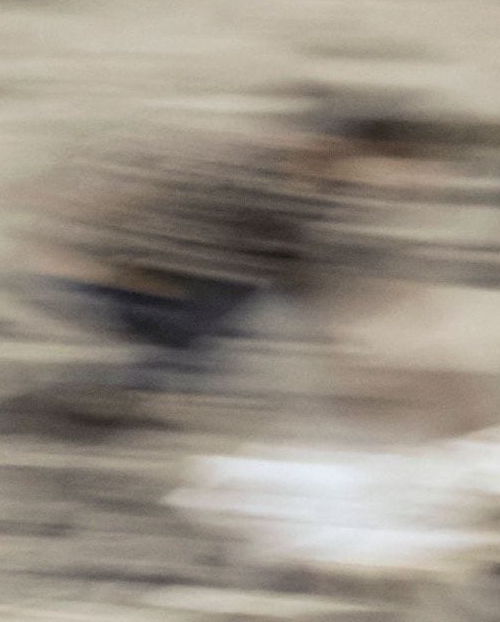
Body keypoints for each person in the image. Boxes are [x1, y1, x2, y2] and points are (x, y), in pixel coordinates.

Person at [31, 95, 442, 411]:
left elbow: (297, 273)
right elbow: (294, 272)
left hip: (143, 276)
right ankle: (96, 401)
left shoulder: (306, 185)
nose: (391, 184)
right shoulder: (263, 171)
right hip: (105, 276)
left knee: (214, 336)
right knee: (205, 336)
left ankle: (118, 399)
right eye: (392, 161)